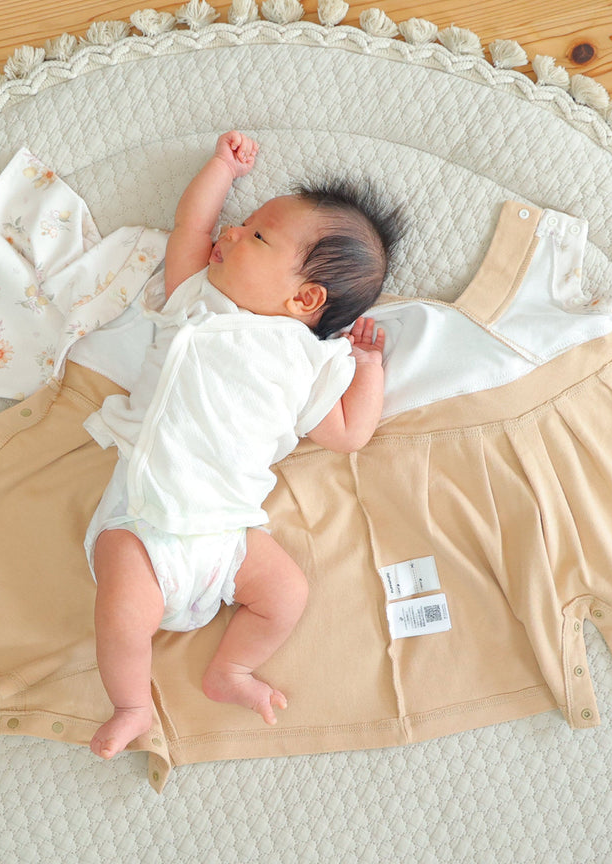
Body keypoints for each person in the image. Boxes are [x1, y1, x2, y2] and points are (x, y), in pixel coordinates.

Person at [84, 130, 401, 759]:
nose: (229, 233)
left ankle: (230, 670)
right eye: (242, 225)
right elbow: (191, 227)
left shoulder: (307, 361)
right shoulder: (197, 302)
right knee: (122, 614)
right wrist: (220, 172)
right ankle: (132, 704)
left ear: (305, 299)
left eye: (256, 236)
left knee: (287, 594)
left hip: (230, 533)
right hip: (144, 518)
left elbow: (348, 434)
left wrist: (368, 369)